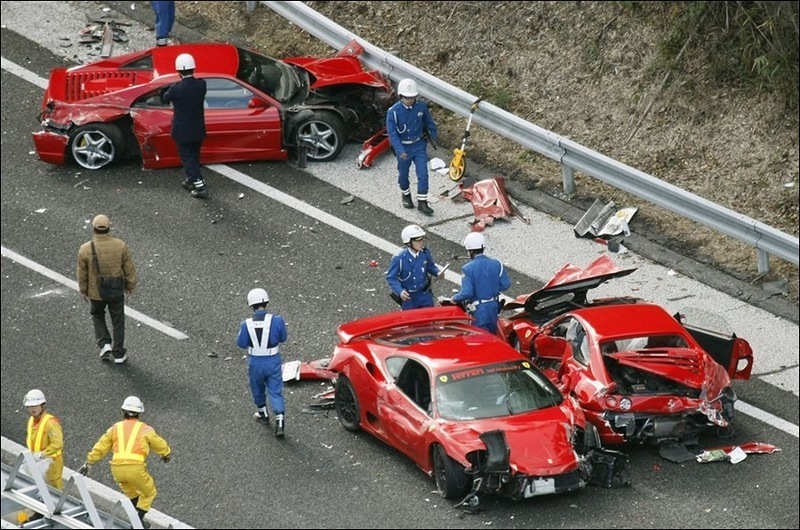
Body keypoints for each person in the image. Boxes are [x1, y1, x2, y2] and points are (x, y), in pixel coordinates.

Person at [79, 396, 171, 529]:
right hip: (135, 469)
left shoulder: (115, 428)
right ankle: (137, 524)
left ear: (123, 411)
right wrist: (166, 453)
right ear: (139, 413)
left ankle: (138, 521)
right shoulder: (145, 429)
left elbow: (101, 446)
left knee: (133, 494)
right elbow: (158, 443)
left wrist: (89, 462)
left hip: (116, 469)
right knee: (149, 492)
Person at [76, 214, 137, 364]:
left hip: (96, 292)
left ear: (94, 229)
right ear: (109, 227)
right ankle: (118, 353)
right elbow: (128, 268)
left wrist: (83, 290)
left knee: (97, 314)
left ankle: (104, 343)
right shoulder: (120, 245)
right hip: (116, 289)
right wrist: (130, 285)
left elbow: (82, 273)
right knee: (118, 320)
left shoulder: (85, 249)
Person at [236, 288, 288, 438]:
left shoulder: (246, 324)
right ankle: (280, 421)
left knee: (257, 388)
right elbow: (283, 338)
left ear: (251, 305)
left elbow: (241, 343)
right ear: (266, 302)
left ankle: (263, 414)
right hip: (272, 360)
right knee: (275, 390)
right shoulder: (277, 320)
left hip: (255, 362)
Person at [386, 78, 438, 216]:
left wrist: (433, 135)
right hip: (404, 148)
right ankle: (406, 194)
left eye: (412, 97)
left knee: (423, 174)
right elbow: (392, 134)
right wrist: (400, 150)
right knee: (403, 174)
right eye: (407, 98)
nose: (410, 100)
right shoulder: (393, 112)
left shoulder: (421, 107)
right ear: (401, 96)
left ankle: (422, 201)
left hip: (419, 145)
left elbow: (429, 122)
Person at [162, 53, 208, 199]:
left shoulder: (176, 88)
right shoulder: (202, 84)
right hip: (198, 128)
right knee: (194, 155)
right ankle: (190, 179)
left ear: (178, 71)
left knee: (187, 158)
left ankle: (199, 184)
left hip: (182, 130)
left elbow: (165, 98)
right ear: (193, 68)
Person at [452, 232, 511, 334]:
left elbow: (467, 292)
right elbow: (506, 284)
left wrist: (454, 298)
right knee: (493, 336)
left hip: (479, 310)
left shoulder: (467, 268)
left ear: (470, 250)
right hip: (494, 306)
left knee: (479, 340)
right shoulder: (497, 263)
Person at [386, 224, 443, 310]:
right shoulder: (399, 259)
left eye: (422, 239)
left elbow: (430, 266)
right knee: (411, 320)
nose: (421, 243)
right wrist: (400, 291)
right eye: (417, 241)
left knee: (430, 318)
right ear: (409, 242)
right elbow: (391, 277)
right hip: (409, 297)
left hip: (424, 294)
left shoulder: (425, 253)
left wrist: (438, 272)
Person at [23, 389, 64, 490]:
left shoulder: (51, 423)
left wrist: (42, 455)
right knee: (37, 488)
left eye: (35, 406)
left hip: (51, 463)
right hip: (37, 460)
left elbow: (57, 444)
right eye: (30, 406)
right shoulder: (32, 420)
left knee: (55, 491)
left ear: (42, 406)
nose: (33, 409)